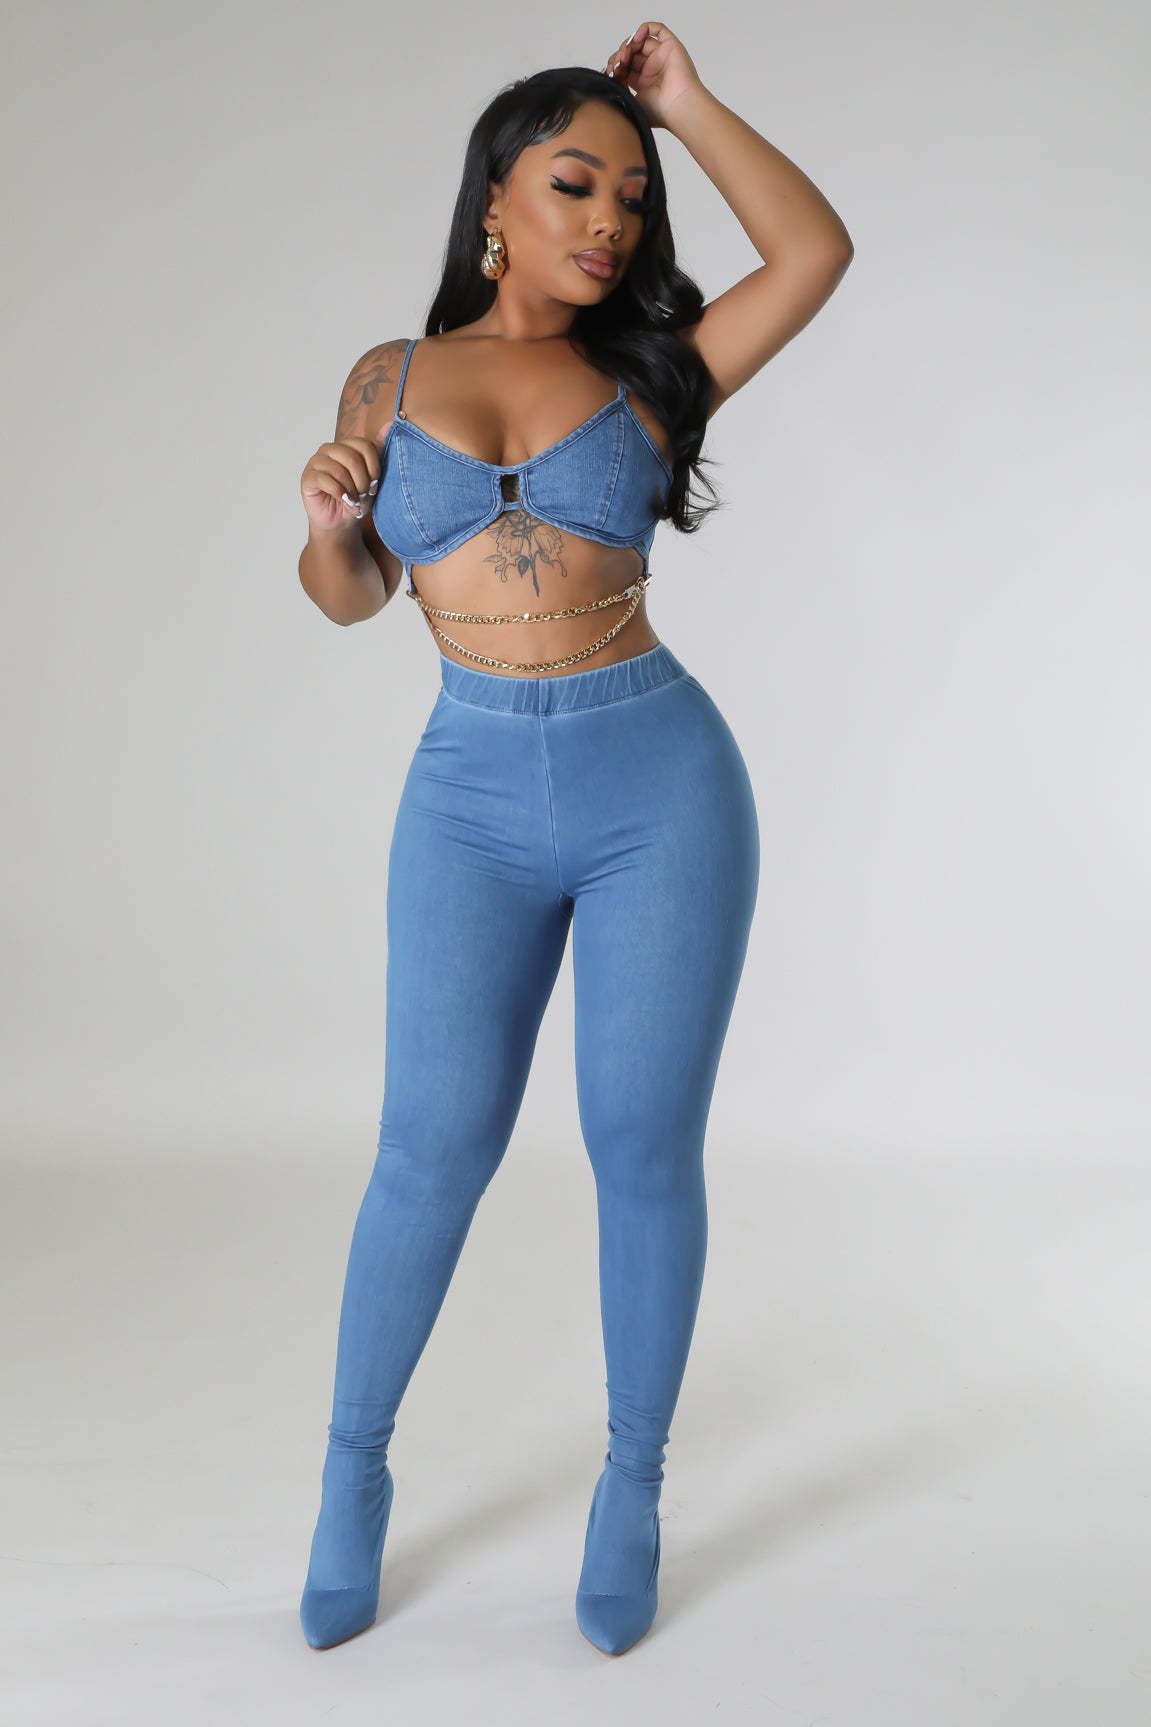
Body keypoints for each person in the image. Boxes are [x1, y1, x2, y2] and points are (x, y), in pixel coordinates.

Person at [295, 24, 853, 1658]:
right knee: (428, 1149)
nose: (611, 218)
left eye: (632, 195)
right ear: (494, 201)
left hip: (655, 789)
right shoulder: (389, 378)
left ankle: (632, 1487)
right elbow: (351, 598)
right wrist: (327, 526)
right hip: (467, 795)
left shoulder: (655, 373)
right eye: (574, 183)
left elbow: (814, 252)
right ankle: (351, 1474)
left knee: (640, 1146)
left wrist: (687, 105)